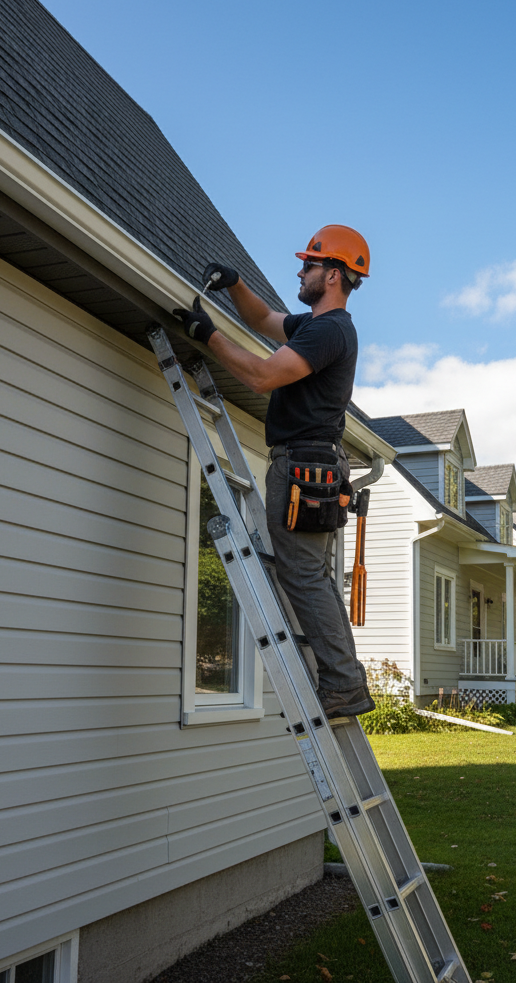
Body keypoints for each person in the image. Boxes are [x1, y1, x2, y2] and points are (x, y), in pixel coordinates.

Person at [173, 225, 375, 718]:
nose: (300, 271)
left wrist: (208, 336)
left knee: (303, 576)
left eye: (309, 264)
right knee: (313, 577)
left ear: (333, 275)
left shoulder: (330, 330)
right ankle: (346, 681)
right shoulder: (315, 326)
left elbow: (262, 377)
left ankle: (344, 686)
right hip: (313, 464)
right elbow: (263, 317)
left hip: (304, 466)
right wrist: (235, 283)